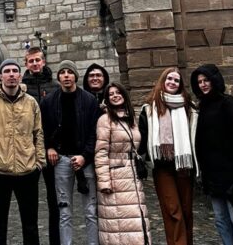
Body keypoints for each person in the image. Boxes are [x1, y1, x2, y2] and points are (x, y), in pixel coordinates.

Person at [0, 59, 45, 245]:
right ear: (0, 76)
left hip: (28, 171)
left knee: (30, 225)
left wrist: (39, 164)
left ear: (20, 76)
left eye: (15, 71)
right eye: (7, 71)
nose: (11, 74)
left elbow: (38, 134)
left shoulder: (31, 103)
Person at [191, 64, 233, 245]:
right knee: (221, 219)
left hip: (232, 172)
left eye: (206, 80)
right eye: (200, 82)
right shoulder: (203, 106)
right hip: (213, 174)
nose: (203, 85)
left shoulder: (228, 103)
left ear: (214, 80)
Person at [40, 60, 99, 245]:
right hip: (62, 161)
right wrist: (49, 146)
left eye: (70, 72)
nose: (66, 75)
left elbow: (94, 132)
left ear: (75, 76)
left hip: (84, 160)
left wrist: (85, 156)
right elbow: (43, 129)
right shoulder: (49, 101)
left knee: (91, 211)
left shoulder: (89, 100)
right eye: (63, 72)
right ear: (58, 77)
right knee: (64, 211)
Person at [139, 67, 198, 245]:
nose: (172, 82)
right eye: (169, 79)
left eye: (176, 80)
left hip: (184, 166)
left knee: (186, 211)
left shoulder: (190, 108)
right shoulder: (149, 109)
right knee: (173, 211)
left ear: (180, 85)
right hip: (162, 167)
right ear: (163, 81)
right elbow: (141, 136)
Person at [95, 82, 151, 245]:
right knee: (118, 225)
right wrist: (104, 181)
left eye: (118, 92)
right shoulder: (105, 120)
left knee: (136, 221)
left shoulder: (131, 118)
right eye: (111, 94)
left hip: (132, 176)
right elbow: (101, 152)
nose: (115, 95)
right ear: (107, 99)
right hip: (115, 179)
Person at [21, 46, 59, 245]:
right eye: (31, 61)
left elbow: (57, 120)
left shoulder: (54, 86)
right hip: (28, 152)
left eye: (38, 60)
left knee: (54, 201)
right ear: (26, 64)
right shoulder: (21, 89)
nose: (35, 64)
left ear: (43, 61)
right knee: (29, 203)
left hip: (51, 151)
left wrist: (51, 145)